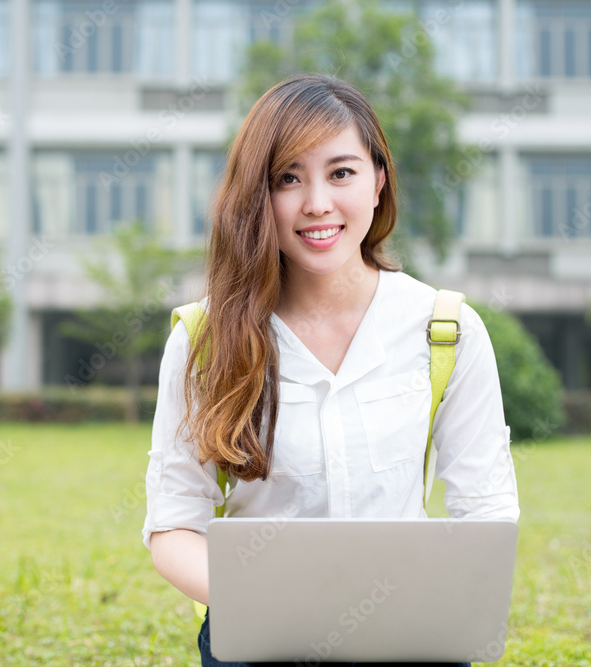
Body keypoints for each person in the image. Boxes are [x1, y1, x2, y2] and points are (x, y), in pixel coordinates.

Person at [142, 73, 520, 667]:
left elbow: (488, 511)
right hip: (259, 635)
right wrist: (272, 601)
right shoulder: (205, 340)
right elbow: (173, 525)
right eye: (287, 178)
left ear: (378, 181)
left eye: (341, 172)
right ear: (256, 197)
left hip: (407, 632)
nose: (317, 202)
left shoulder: (445, 329)